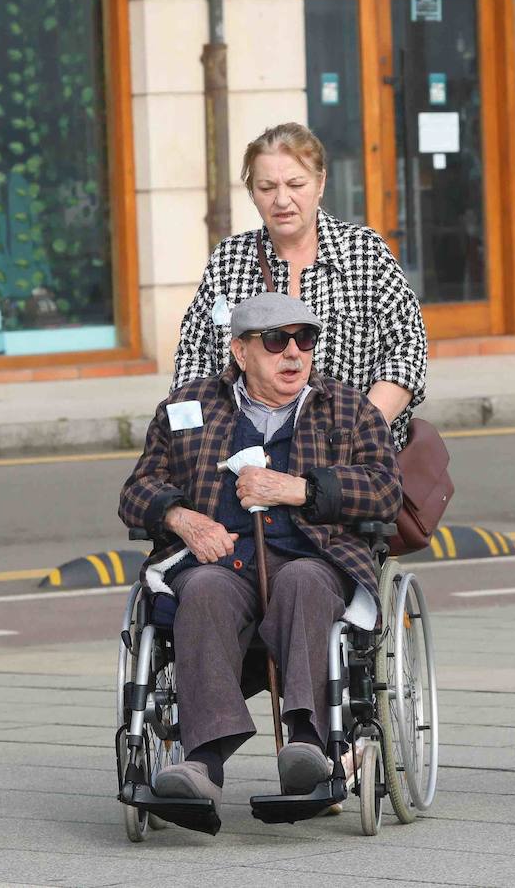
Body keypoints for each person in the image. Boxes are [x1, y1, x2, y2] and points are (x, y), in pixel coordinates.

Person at [120, 292, 402, 804]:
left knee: (303, 582)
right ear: (240, 351)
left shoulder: (347, 408)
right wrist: (182, 518)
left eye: (304, 339)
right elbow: (136, 490)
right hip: (219, 562)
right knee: (203, 589)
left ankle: (309, 744)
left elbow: (385, 490)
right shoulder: (188, 407)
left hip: (311, 558)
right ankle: (203, 759)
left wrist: (301, 490)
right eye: (275, 341)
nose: (293, 353)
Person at [173, 122, 427, 449]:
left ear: (320, 183)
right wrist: (190, 444)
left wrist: (358, 432)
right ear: (251, 192)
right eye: (267, 187)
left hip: (351, 463)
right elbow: (193, 361)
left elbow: (407, 351)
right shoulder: (228, 260)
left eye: (295, 184)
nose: (282, 200)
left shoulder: (365, 253)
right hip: (246, 460)